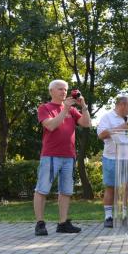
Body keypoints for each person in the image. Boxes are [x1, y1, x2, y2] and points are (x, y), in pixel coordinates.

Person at [34, 80, 91, 236]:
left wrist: (83, 105)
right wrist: (65, 108)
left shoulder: (72, 110)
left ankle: (63, 223)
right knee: (42, 190)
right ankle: (40, 224)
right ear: (51, 91)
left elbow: (87, 123)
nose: (64, 92)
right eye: (60, 89)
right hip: (51, 155)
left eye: (65, 89)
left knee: (66, 191)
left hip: (68, 156)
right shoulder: (44, 108)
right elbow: (51, 126)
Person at [97, 96, 128, 228]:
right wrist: (121, 127)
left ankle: (126, 216)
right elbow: (101, 135)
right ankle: (109, 217)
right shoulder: (107, 117)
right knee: (111, 187)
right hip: (112, 158)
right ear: (121, 105)